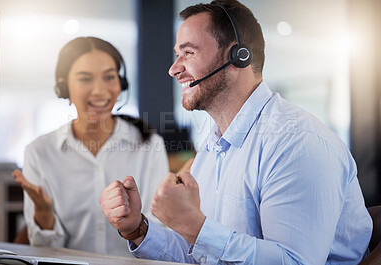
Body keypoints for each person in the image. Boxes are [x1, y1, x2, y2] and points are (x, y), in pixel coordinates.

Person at [99, 0, 373, 264]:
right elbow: (202, 255)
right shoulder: (213, 146)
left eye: (189, 53)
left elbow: (294, 262)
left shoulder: (296, 141)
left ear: (238, 57)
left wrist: (194, 225)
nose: (174, 69)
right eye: (176, 55)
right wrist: (138, 229)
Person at [12, 37, 169, 257]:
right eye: (85, 79)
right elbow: (44, 252)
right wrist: (44, 216)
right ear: (64, 86)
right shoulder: (39, 153)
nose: (99, 90)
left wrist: (136, 227)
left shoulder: (149, 146)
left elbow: (161, 235)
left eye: (109, 77)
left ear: (121, 83)